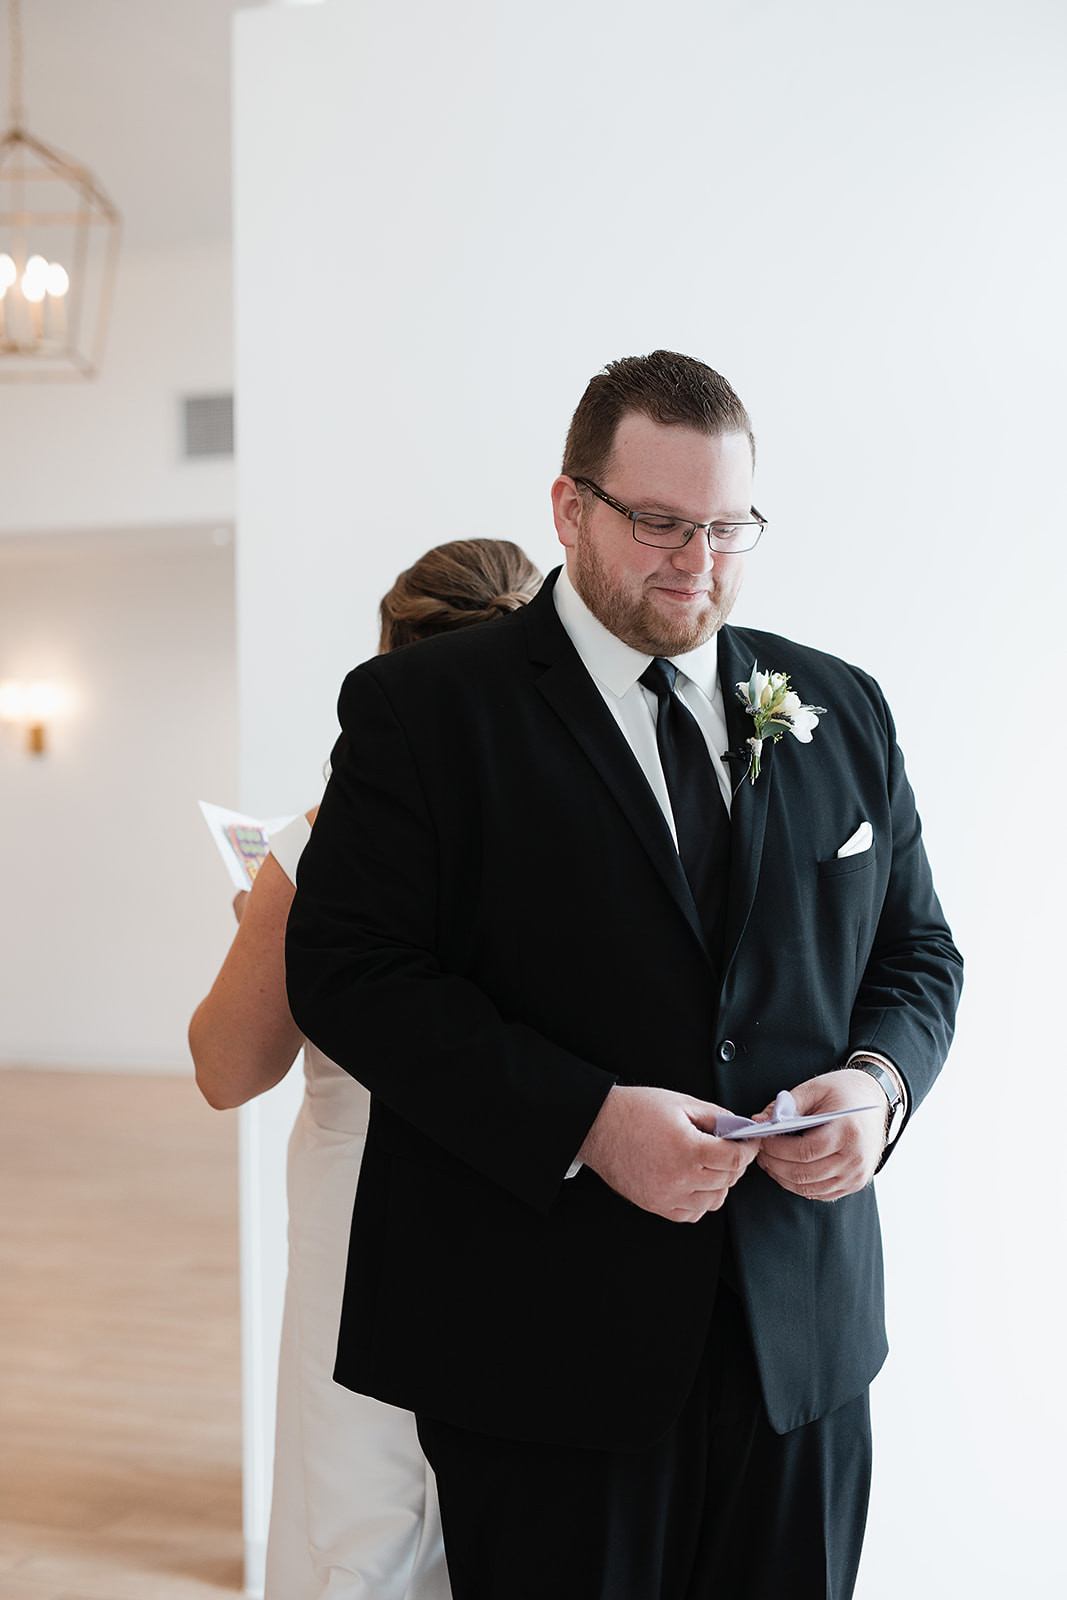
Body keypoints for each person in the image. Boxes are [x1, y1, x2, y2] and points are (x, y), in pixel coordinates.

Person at [284, 351, 963, 1600]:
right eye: (658, 523)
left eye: (726, 527)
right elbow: (347, 972)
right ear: (568, 507)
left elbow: (918, 953)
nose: (695, 561)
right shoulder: (421, 711)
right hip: (537, 1350)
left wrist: (877, 1086)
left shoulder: (840, 703)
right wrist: (587, 1123)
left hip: (799, 1343)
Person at [189, 538, 544, 1600]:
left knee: (367, 1526)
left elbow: (225, 1064)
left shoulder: (321, 843)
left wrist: (267, 926)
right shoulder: (579, 840)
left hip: (366, 1221)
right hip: (541, 1206)